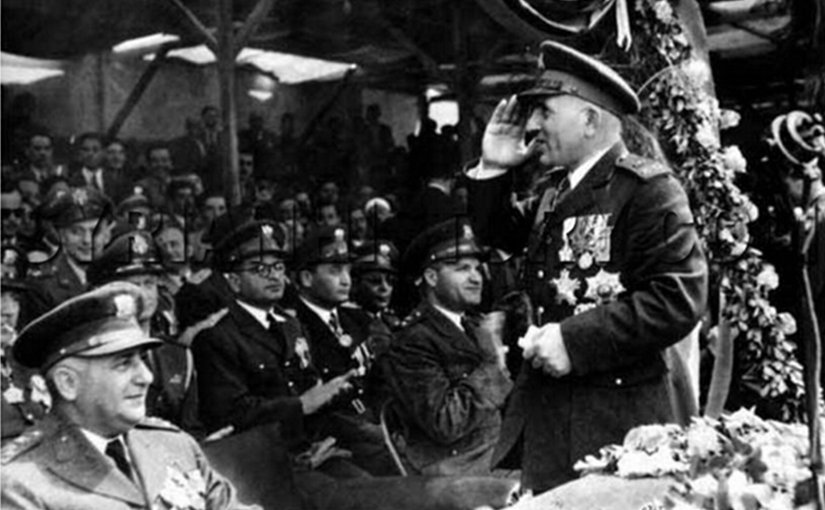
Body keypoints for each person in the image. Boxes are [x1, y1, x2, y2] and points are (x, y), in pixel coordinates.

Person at [466, 40, 708, 492]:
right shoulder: (555, 191)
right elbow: (500, 233)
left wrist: (573, 341)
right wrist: (493, 168)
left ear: (590, 119)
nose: (534, 125)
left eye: (545, 111)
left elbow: (678, 299)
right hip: (552, 414)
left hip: (621, 417)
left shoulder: (648, 189)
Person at [1, 282, 257, 509]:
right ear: (68, 383)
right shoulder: (20, 482)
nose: (145, 376)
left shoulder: (175, 445)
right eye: (123, 364)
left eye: (141, 360)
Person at [380, 218, 512, 476]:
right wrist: (493, 365)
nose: (476, 278)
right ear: (431, 277)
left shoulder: (475, 325)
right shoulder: (412, 341)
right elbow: (446, 423)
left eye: (477, 268)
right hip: (458, 469)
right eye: (462, 269)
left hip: (498, 453)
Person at [29, 187, 114, 308]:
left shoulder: (120, 277)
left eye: (95, 231)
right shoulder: (44, 287)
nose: (87, 240)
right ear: (62, 236)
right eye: (76, 232)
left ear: (107, 235)